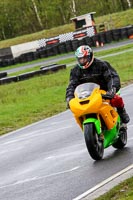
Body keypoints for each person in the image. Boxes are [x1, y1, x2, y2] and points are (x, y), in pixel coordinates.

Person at [66, 45, 130, 124]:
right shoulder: (75, 70)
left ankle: (121, 111)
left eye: (85, 58)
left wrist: (112, 89)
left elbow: (112, 77)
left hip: (105, 91)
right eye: (80, 59)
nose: (83, 61)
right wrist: (69, 97)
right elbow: (72, 85)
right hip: (87, 94)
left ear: (90, 56)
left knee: (116, 98)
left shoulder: (101, 65)